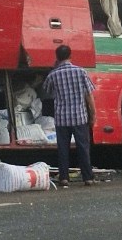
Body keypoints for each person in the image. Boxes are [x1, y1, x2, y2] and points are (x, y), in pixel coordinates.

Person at [41, 44, 96, 188]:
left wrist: (55, 67)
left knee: (63, 149)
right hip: (79, 117)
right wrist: (93, 114)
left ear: (57, 58)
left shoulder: (53, 75)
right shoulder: (81, 72)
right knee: (83, 147)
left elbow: (46, 91)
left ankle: (64, 178)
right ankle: (88, 178)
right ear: (71, 56)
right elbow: (89, 96)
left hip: (61, 118)